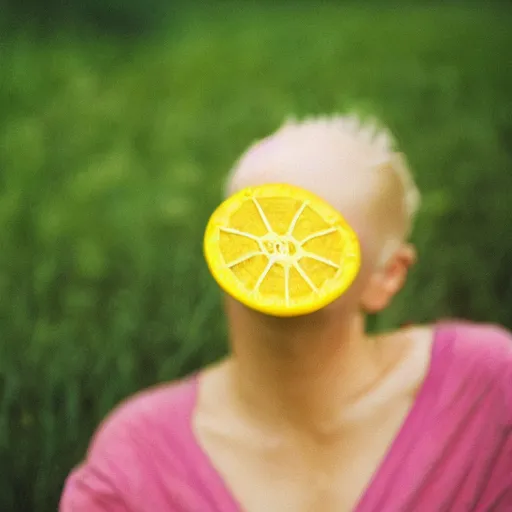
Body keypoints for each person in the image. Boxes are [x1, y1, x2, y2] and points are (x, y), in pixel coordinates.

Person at [60, 115, 512, 511]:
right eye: (257, 218)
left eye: (313, 230)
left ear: (387, 277)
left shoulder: (485, 391)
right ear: (223, 247)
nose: (279, 245)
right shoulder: (140, 456)